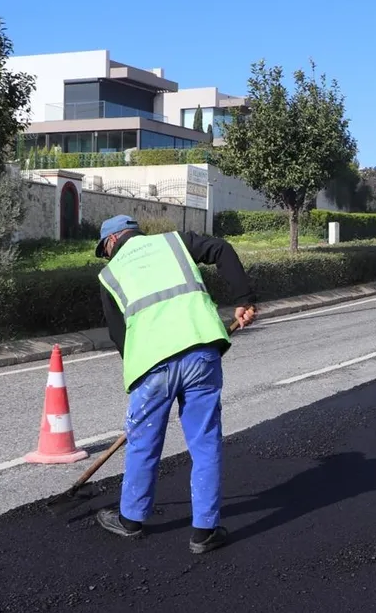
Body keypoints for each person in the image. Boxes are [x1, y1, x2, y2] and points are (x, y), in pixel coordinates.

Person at [91, 214, 258, 554]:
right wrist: (244, 299)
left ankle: (131, 521)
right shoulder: (173, 241)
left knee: (142, 442)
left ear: (111, 242)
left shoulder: (108, 274)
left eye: (105, 250)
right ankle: (204, 532)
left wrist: (141, 375)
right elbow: (222, 249)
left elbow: (119, 335)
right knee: (205, 440)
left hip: (151, 366)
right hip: (201, 351)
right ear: (135, 233)